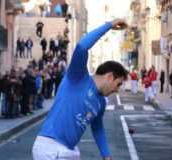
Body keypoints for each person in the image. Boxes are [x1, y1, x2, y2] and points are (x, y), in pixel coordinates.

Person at [32, 18, 128, 160]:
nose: (118, 90)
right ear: (109, 76)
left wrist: (106, 156)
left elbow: (97, 128)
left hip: (70, 151)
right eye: (118, 84)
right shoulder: (78, 77)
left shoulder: (101, 102)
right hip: (51, 147)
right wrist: (110, 25)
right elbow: (82, 47)